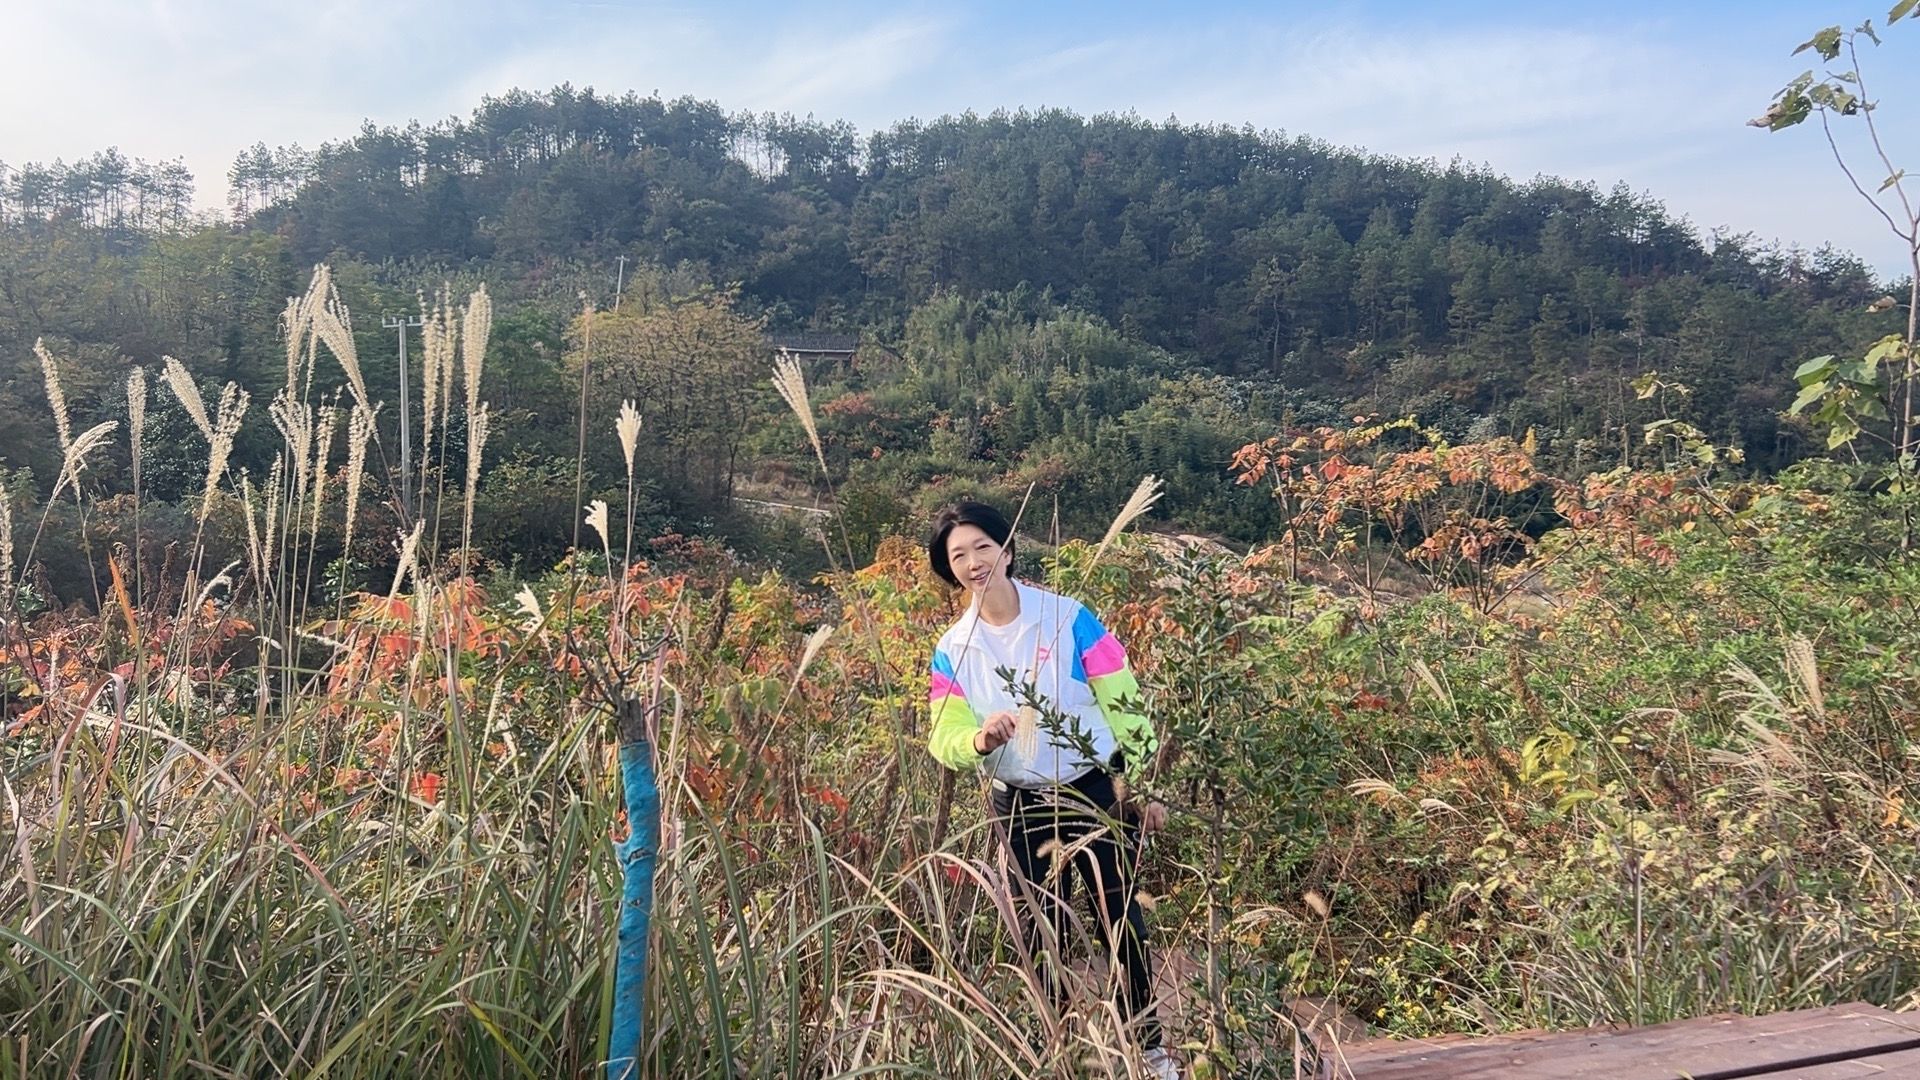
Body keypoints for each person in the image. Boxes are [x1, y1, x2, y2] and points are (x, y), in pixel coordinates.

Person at [924, 500, 1178, 1080]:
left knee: (1120, 922)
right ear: (949, 569)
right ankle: (1061, 1052)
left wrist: (1143, 784)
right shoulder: (953, 648)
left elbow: (1125, 703)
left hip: (1096, 789)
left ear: (1008, 549)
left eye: (983, 547)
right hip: (1019, 804)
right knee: (1043, 933)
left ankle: (1148, 1050)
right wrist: (979, 739)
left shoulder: (1069, 617)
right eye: (958, 556)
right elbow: (943, 734)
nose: (973, 562)